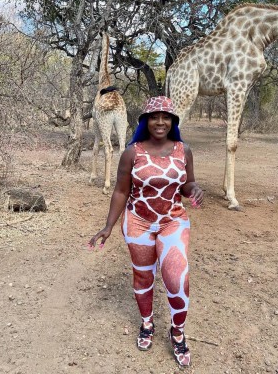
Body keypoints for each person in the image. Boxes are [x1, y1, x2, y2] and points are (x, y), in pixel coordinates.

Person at [88, 96, 204, 367]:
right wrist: (108, 226)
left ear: (173, 121)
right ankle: (147, 323)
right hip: (138, 221)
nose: (160, 122)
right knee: (143, 276)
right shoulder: (132, 153)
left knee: (177, 277)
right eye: (154, 117)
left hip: (172, 220)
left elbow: (187, 184)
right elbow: (121, 191)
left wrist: (195, 189)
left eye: (166, 117)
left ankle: (177, 332)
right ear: (145, 121)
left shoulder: (183, 150)